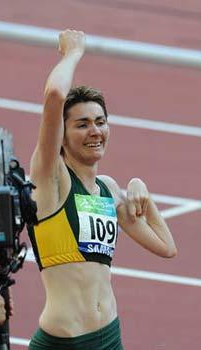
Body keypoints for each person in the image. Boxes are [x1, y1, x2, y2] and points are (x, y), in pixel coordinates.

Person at [28, 29, 177, 350]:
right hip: (63, 342)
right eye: (82, 124)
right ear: (62, 136)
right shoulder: (51, 180)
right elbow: (55, 95)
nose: (94, 131)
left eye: (100, 121)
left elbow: (166, 247)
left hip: (109, 336)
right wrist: (73, 53)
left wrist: (142, 191)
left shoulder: (107, 189)